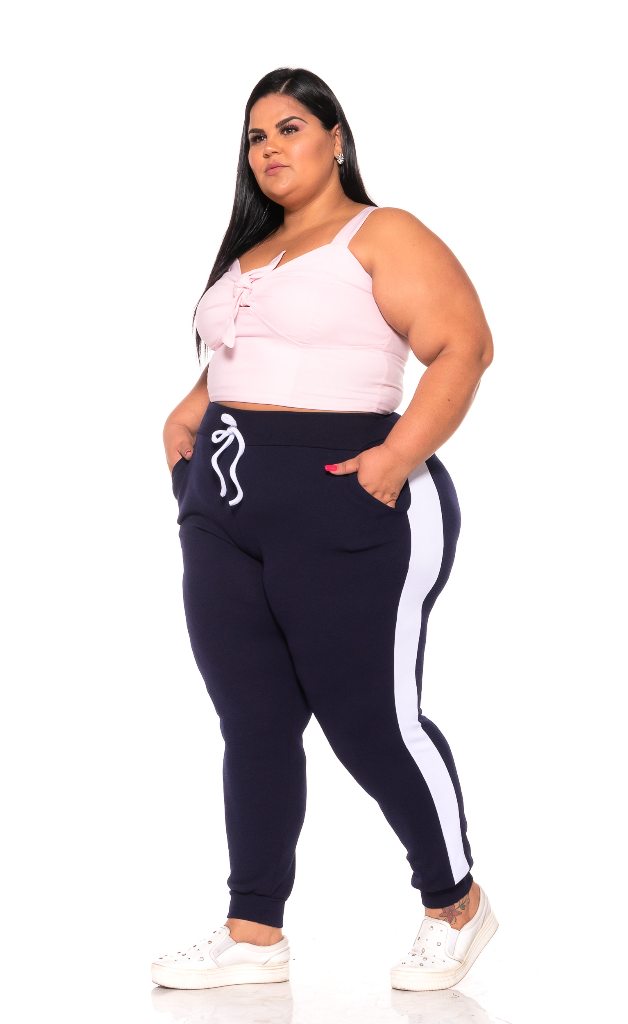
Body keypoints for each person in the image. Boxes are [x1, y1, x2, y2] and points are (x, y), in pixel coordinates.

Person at [154, 67, 495, 993]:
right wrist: (185, 427)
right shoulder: (251, 252)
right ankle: (253, 931)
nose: (269, 148)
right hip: (225, 512)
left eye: (290, 127)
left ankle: (455, 902)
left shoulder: (379, 233)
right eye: (256, 136)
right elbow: (245, 359)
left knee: (368, 719)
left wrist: (393, 460)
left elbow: (463, 345)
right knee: (254, 722)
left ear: (336, 138)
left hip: (350, 501)